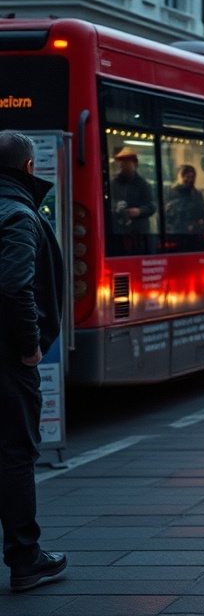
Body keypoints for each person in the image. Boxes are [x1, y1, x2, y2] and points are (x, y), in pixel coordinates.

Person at [0, 130, 67, 593]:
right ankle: (26, 558)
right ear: (29, 167)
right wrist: (29, 344)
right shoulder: (19, 214)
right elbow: (13, 285)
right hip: (6, 357)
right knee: (15, 453)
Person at [109, 146, 155, 235]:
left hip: (138, 230)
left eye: (126, 161)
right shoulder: (113, 183)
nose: (122, 164)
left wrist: (139, 211)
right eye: (121, 161)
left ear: (134, 163)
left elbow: (151, 207)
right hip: (118, 230)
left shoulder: (142, 184)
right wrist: (115, 207)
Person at [164, 164, 204, 235]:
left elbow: (202, 215)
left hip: (192, 234)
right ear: (180, 177)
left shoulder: (196, 194)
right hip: (174, 232)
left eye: (192, 177)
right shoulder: (169, 192)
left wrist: (195, 226)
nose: (190, 180)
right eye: (187, 177)